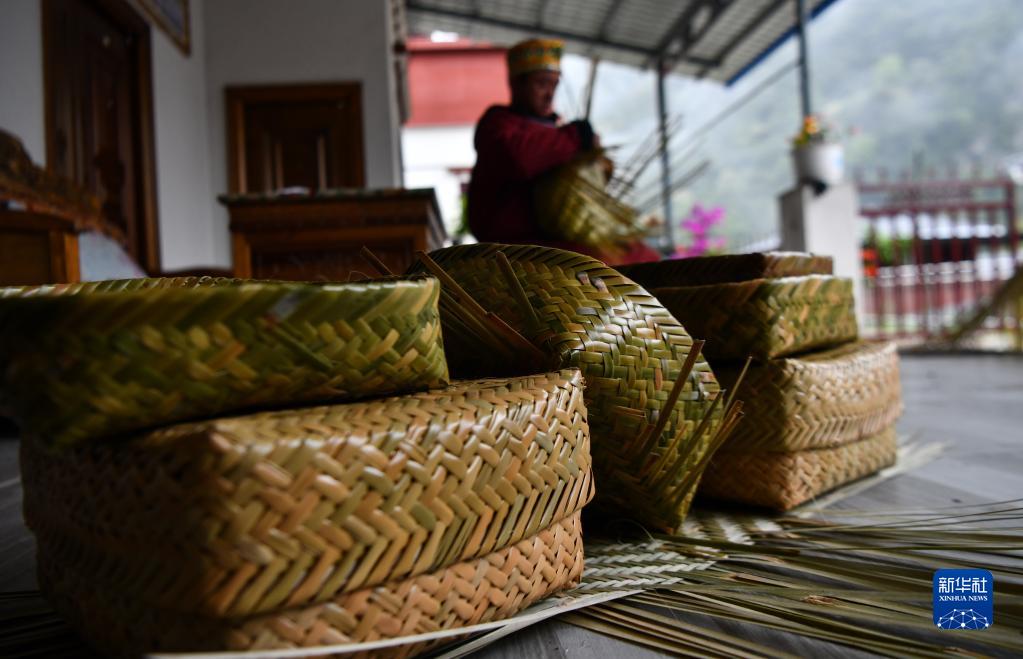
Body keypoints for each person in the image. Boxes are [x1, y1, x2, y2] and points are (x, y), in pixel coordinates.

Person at [467, 38, 659, 265]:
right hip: (515, 242)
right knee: (605, 260)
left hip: (554, 236)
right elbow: (519, 158)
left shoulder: (555, 127)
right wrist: (575, 137)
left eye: (554, 85)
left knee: (643, 255)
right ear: (516, 84)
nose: (550, 94)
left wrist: (596, 164)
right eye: (541, 84)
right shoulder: (498, 124)